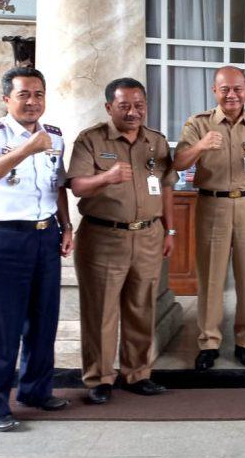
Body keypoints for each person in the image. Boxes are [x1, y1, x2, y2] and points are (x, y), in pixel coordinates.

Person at [0, 67, 74, 432]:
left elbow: (57, 185)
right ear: (7, 99)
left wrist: (66, 225)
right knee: (0, 325)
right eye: (24, 94)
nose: (33, 102)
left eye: (39, 94)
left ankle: (36, 391)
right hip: (3, 239)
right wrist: (27, 148)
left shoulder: (55, 136)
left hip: (45, 236)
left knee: (43, 320)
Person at [68, 77, 177, 405]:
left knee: (141, 307)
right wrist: (106, 177)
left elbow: (167, 186)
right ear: (108, 108)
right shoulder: (90, 140)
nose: (133, 112)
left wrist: (169, 231)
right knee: (101, 310)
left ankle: (137, 374)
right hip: (103, 237)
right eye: (124, 106)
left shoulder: (156, 142)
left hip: (147, 235)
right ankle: (100, 378)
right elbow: (77, 186)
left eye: (139, 105)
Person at [173, 66, 245, 371]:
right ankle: (208, 342)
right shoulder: (199, 123)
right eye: (225, 89)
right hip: (212, 205)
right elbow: (178, 163)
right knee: (210, 277)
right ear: (214, 91)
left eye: (237, 89)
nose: (231, 95)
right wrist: (201, 145)